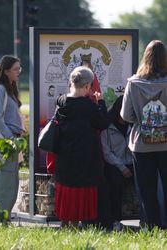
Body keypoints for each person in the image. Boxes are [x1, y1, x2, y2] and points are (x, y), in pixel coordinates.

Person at [53, 66, 110, 227]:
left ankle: (65, 222)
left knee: (67, 190)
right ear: (87, 86)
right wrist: (101, 103)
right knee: (82, 193)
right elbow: (103, 123)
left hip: (65, 157)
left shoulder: (61, 101)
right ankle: (81, 223)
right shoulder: (88, 106)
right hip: (85, 158)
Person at [120, 40, 167, 229]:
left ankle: (150, 225)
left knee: (146, 188)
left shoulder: (133, 83)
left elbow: (126, 115)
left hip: (141, 144)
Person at [0, 55, 24, 216]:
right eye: (16, 69)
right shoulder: (1, 89)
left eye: (19, 68)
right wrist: (10, 137)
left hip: (12, 142)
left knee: (11, 180)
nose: (19, 72)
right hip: (6, 142)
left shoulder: (10, 89)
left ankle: (4, 214)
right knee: (4, 180)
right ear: (6, 71)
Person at [101, 95, 134, 231]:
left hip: (131, 162)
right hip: (115, 164)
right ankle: (115, 220)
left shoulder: (132, 125)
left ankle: (148, 219)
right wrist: (122, 168)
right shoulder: (107, 127)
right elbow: (106, 152)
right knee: (115, 184)